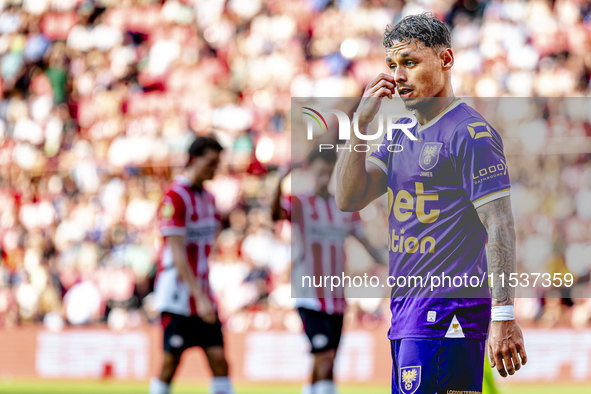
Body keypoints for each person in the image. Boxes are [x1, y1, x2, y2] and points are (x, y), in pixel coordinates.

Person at [334, 13, 527, 394]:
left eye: (410, 62)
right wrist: (360, 123)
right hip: (407, 314)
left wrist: (503, 314)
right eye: (392, 65)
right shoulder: (399, 133)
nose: (398, 76)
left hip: (447, 313)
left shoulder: (469, 133)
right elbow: (348, 197)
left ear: (446, 60)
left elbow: (500, 224)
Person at [272, 149, 386, 394]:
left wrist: (393, 264)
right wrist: (280, 180)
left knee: (327, 362)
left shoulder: (344, 208)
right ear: (311, 170)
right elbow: (274, 215)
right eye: (319, 170)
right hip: (308, 296)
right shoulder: (300, 203)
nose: (324, 175)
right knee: (324, 359)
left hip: (336, 299)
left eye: (328, 170)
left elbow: (367, 245)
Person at [150, 136, 235, 394]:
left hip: (203, 291)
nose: (215, 169)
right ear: (194, 160)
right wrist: (199, 297)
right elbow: (177, 254)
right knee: (170, 362)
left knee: (220, 361)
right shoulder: (174, 198)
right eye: (211, 163)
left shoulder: (209, 198)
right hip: (178, 294)